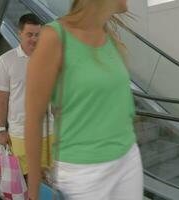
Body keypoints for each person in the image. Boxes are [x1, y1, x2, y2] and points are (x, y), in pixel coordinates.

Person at [24, 0, 144, 199]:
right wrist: (34, 193)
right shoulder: (54, 37)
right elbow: (33, 120)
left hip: (128, 158)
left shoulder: (109, 38)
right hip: (83, 172)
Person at [0, 13, 41, 176]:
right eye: (29, 34)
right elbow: (1, 99)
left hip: (47, 131)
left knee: (47, 179)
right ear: (19, 33)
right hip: (20, 133)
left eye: (37, 35)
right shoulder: (6, 60)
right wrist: (1, 129)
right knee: (26, 178)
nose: (34, 39)